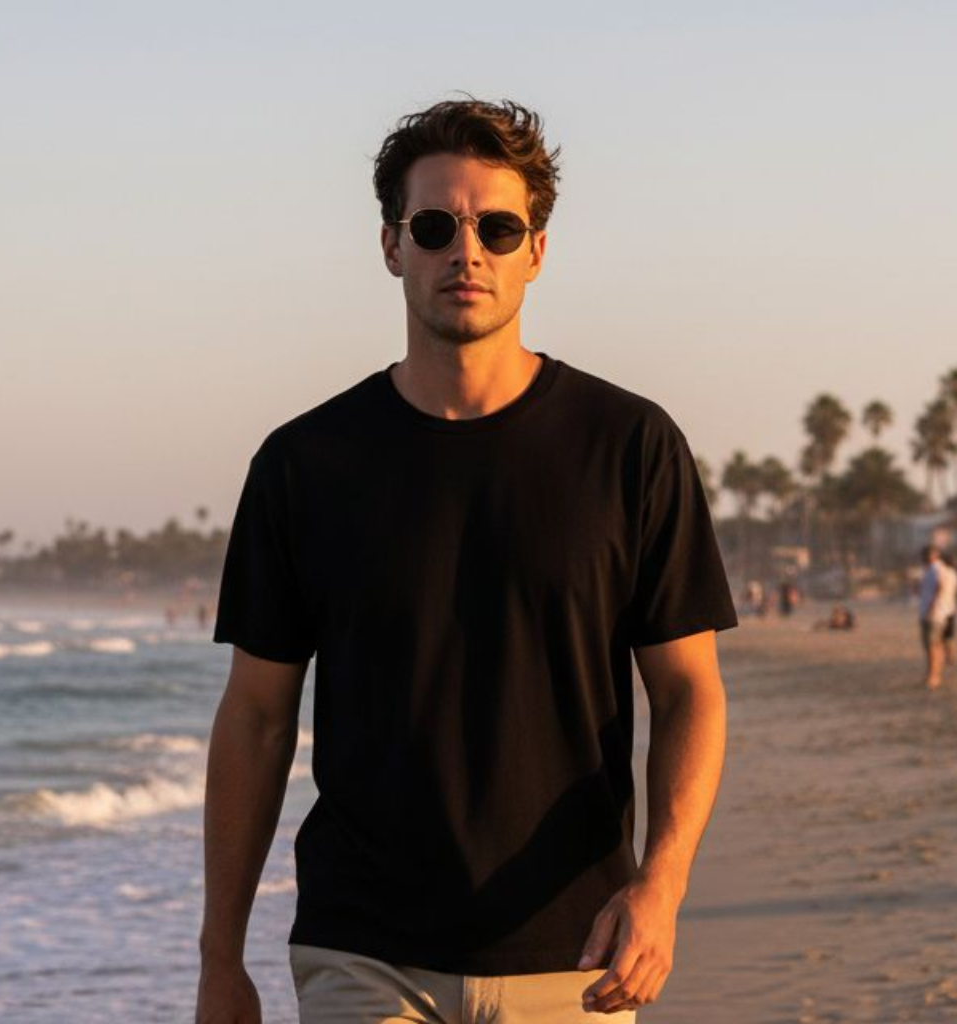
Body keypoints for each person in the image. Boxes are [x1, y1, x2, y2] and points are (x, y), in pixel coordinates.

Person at [196, 98, 740, 1023]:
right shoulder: (304, 464)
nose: (467, 252)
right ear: (390, 245)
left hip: (576, 948)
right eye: (436, 226)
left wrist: (663, 886)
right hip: (361, 948)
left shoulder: (630, 447)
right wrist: (220, 958)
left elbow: (689, 690)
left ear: (536, 250)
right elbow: (255, 719)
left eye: (497, 227)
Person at [917, 546, 957, 688]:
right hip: (936, 612)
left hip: (935, 614)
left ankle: (934, 676)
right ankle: (932, 674)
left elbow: (940, 587)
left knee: (933, 646)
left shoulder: (937, 569)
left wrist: (932, 606)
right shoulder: (931, 570)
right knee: (933, 646)